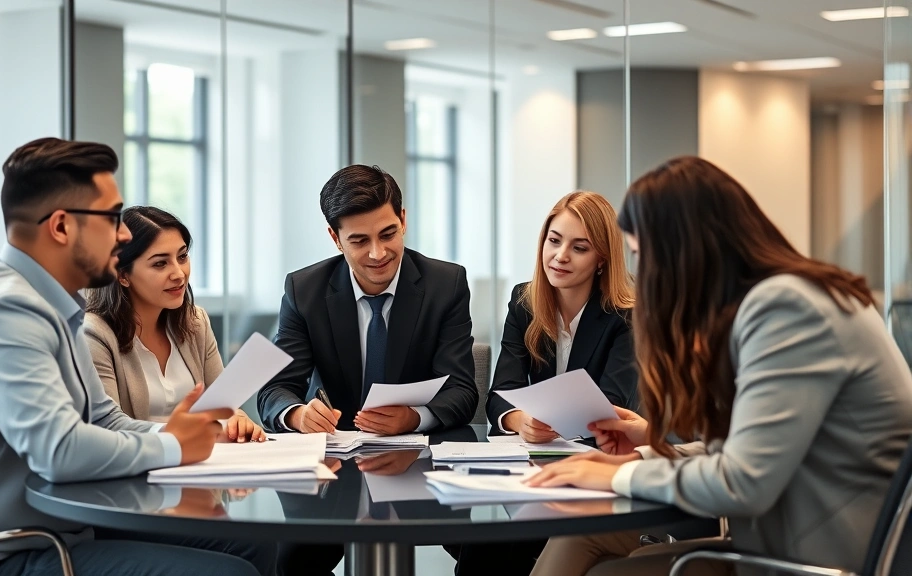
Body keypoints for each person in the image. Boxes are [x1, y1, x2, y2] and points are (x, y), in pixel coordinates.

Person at [525, 156, 912, 576]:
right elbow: (748, 451)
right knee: (580, 533)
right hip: (774, 529)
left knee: (615, 572)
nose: (649, 273)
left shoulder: (787, 309)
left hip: (821, 554)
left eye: (645, 254)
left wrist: (618, 477)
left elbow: (742, 481)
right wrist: (643, 450)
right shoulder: (780, 299)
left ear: (686, 249)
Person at [0, 137, 275, 576]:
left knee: (255, 545)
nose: (122, 236)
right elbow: (59, 451)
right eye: (112, 218)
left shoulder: (52, 306)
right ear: (61, 227)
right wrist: (172, 445)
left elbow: (105, 420)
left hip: (57, 528)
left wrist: (188, 436)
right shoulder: (3, 313)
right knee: (230, 573)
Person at [257, 164, 478, 575]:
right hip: (333, 475)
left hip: (422, 471)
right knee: (283, 563)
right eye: (359, 240)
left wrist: (414, 418)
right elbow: (274, 390)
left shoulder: (446, 284)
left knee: (491, 554)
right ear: (335, 238)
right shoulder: (304, 290)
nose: (378, 253)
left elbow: (463, 390)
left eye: (388, 234)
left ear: (404, 220)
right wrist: (298, 413)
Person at [448, 191, 638, 576]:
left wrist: (549, 423)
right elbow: (500, 394)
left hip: (597, 468)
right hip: (528, 468)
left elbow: (611, 404)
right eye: (554, 240)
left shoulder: (626, 315)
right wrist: (522, 421)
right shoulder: (525, 301)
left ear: (602, 258)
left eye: (579, 247)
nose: (560, 255)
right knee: (479, 539)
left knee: (491, 548)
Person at [84, 205, 264, 441]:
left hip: (201, 463)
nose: (179, 273)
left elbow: (221, 407)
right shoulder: (94, 334)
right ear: (123, 275)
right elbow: (107, 425)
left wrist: (234, 419)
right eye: (160, 263)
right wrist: (176, 434)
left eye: (182, 256)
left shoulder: (195, 322)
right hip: (139, 468)